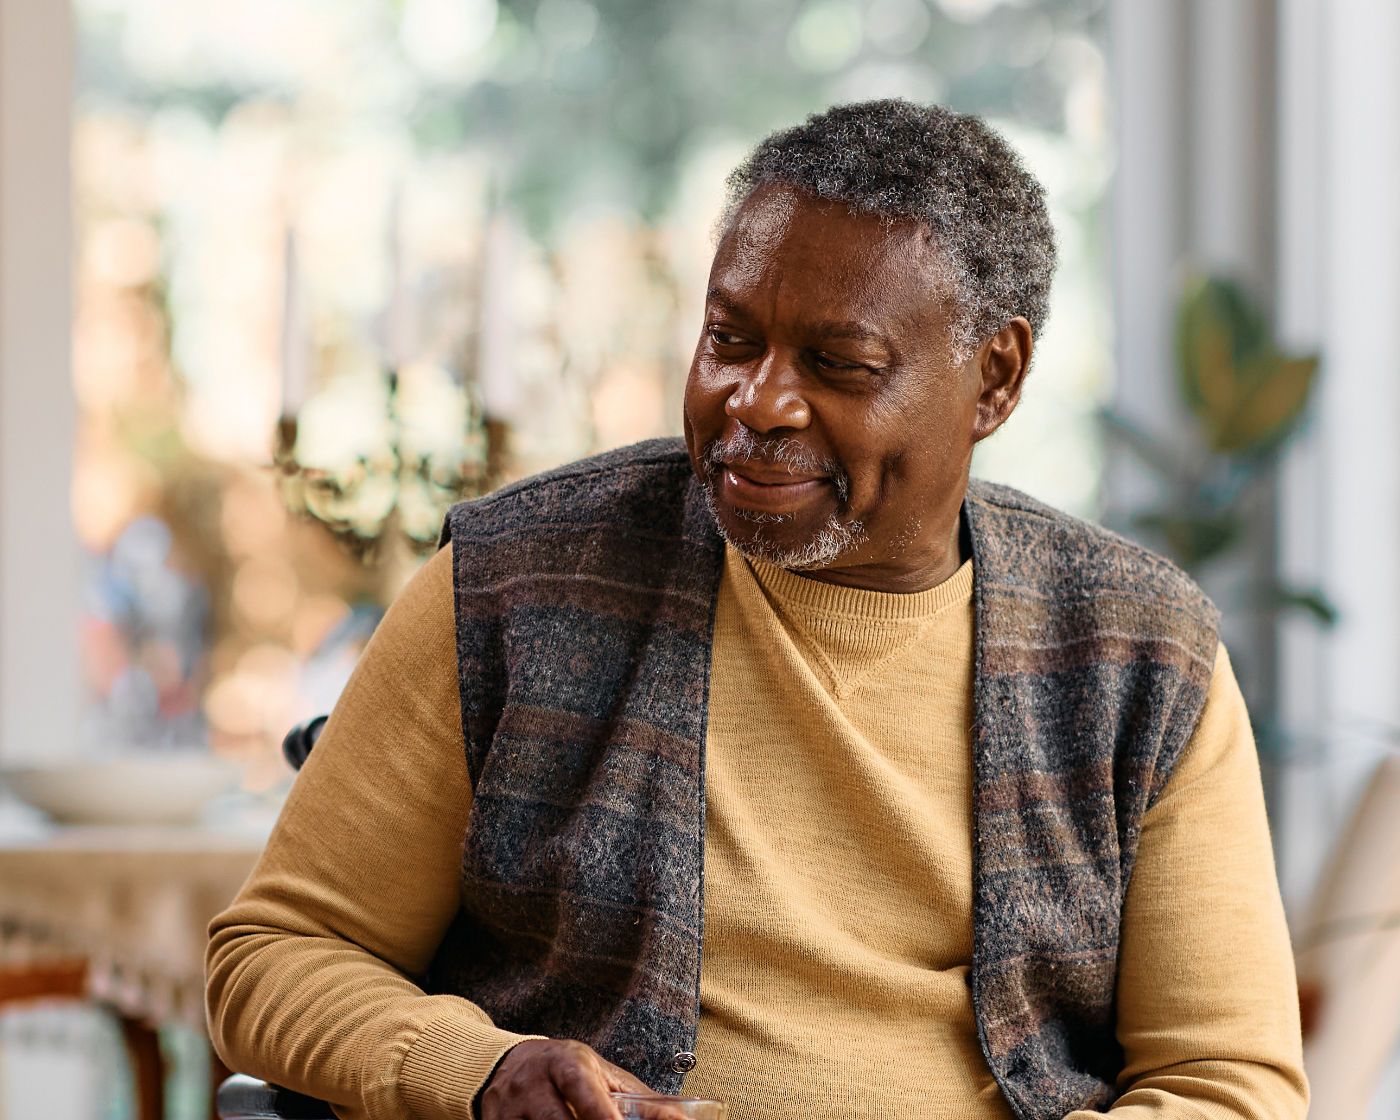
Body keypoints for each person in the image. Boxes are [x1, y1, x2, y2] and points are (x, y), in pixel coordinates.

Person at [206, 100, 1308, 1120]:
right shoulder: (510, 584)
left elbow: (1226, 1083)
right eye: (730, 338)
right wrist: (480, 1069)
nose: (757, 401)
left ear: (995, 378)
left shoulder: (1140, 656)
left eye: (838, 362)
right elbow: (276, 954)